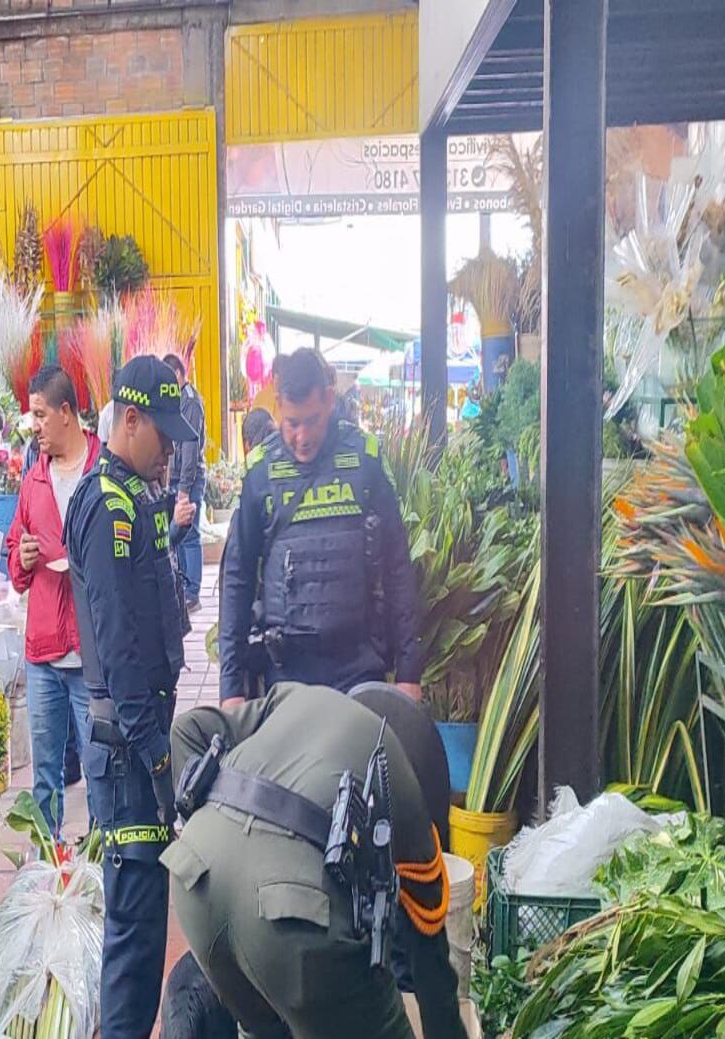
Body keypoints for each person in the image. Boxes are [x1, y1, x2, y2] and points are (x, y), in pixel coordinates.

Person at [163, 682, 463, 1039]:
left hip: (193, 879)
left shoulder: (296, 697)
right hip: (290, 915)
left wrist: (208, 820)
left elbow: (186, 728)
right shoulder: (403, 779)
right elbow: (430, 955)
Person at [64, 354, 198, 1039]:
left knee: (145, 932)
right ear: (131, 417)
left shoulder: (136, 495)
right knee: (134, 938)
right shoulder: (105, 503)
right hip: (126, 749)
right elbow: (118, 648)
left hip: (139, 739)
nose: (171, 448)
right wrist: (155, 757)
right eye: (163, 432)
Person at [218, 348, 421, 708]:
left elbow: (397, 566)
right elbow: (237, 576)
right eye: (292, 422)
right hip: (287, 671)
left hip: (358, 665)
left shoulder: (365, 458)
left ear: (328, 400)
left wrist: (409, 672)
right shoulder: (261, 470)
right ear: (278, 405)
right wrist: (231, 687)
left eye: (311, 420)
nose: (302, 436)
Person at [5, 364, 101, 836]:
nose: (35, 426)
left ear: (67, 412)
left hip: (90, 653)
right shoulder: (33, 482)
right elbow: (15, 570)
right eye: (31, 417)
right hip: (43, 652)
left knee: (101, 769)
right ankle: (49, 871)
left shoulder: (102, 473)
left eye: (41, 415)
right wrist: (22, 557)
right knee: (46, 779)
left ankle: (102, 870)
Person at [163, 352, 206, 611]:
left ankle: (193, 591)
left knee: (190, 533)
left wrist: (183, 489)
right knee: (178, 532)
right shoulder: (177, 399)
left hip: (188, 478)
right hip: (177, 477)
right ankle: (184, 586)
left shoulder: (189, 402)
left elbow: (189, 446)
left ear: (178, 374)